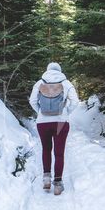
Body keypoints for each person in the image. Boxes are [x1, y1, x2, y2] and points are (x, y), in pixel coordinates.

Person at [29, 62, 79, 195]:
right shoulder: (66, 83)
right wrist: (66, 111)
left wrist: (40, 111)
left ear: (47, 70)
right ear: (60, 70)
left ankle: (46, 179)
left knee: (46, 149)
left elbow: (32, 101)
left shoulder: (39, 82)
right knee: (59, 152)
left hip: (42, 122)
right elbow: (75, 101)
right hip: (61, 122)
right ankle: (57, 183)